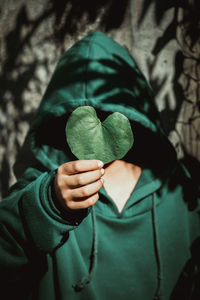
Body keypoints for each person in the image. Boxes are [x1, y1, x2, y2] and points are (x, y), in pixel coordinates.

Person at [0, 31, 200, 300]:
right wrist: (47, 204)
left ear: (137, 118)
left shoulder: (182, 193)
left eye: (112, 112)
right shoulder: (44, 189)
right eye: (73, 118)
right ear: (59, 122)